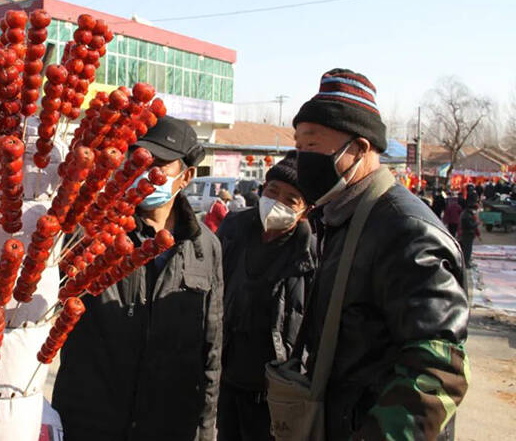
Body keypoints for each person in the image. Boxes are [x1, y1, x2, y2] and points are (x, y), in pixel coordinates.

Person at [292, 68, 468, 439]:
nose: (301, 159)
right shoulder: (341, 218)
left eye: (312, 145)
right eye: (298, 147)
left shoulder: (405, 232)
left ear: (358, 149)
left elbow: (438, 372)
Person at [53, 116, 223, 441]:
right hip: (91, 422)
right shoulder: (90, 234)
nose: (146, 171)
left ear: (186, 176)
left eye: (159, 164)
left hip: (167, 424)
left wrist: (205, 429)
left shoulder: (205, 247)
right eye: (138, 161)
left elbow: (211, 348)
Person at [216, 150, 316, 441]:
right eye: (274, 192)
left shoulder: (312, 253)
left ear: (305, 211)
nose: (278, 203)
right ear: (262, 190)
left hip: (276, 389)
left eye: (291, 199)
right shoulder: (234, 229)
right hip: (227, 376)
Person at [458, 200, 481, 269]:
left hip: (467, 234)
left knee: (467, 249)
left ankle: (466, 262)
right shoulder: (467, 215)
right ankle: (466, 264)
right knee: (467, 250)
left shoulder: (467, 214)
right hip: (467, 234)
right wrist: (477, 223)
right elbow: (470, 225)